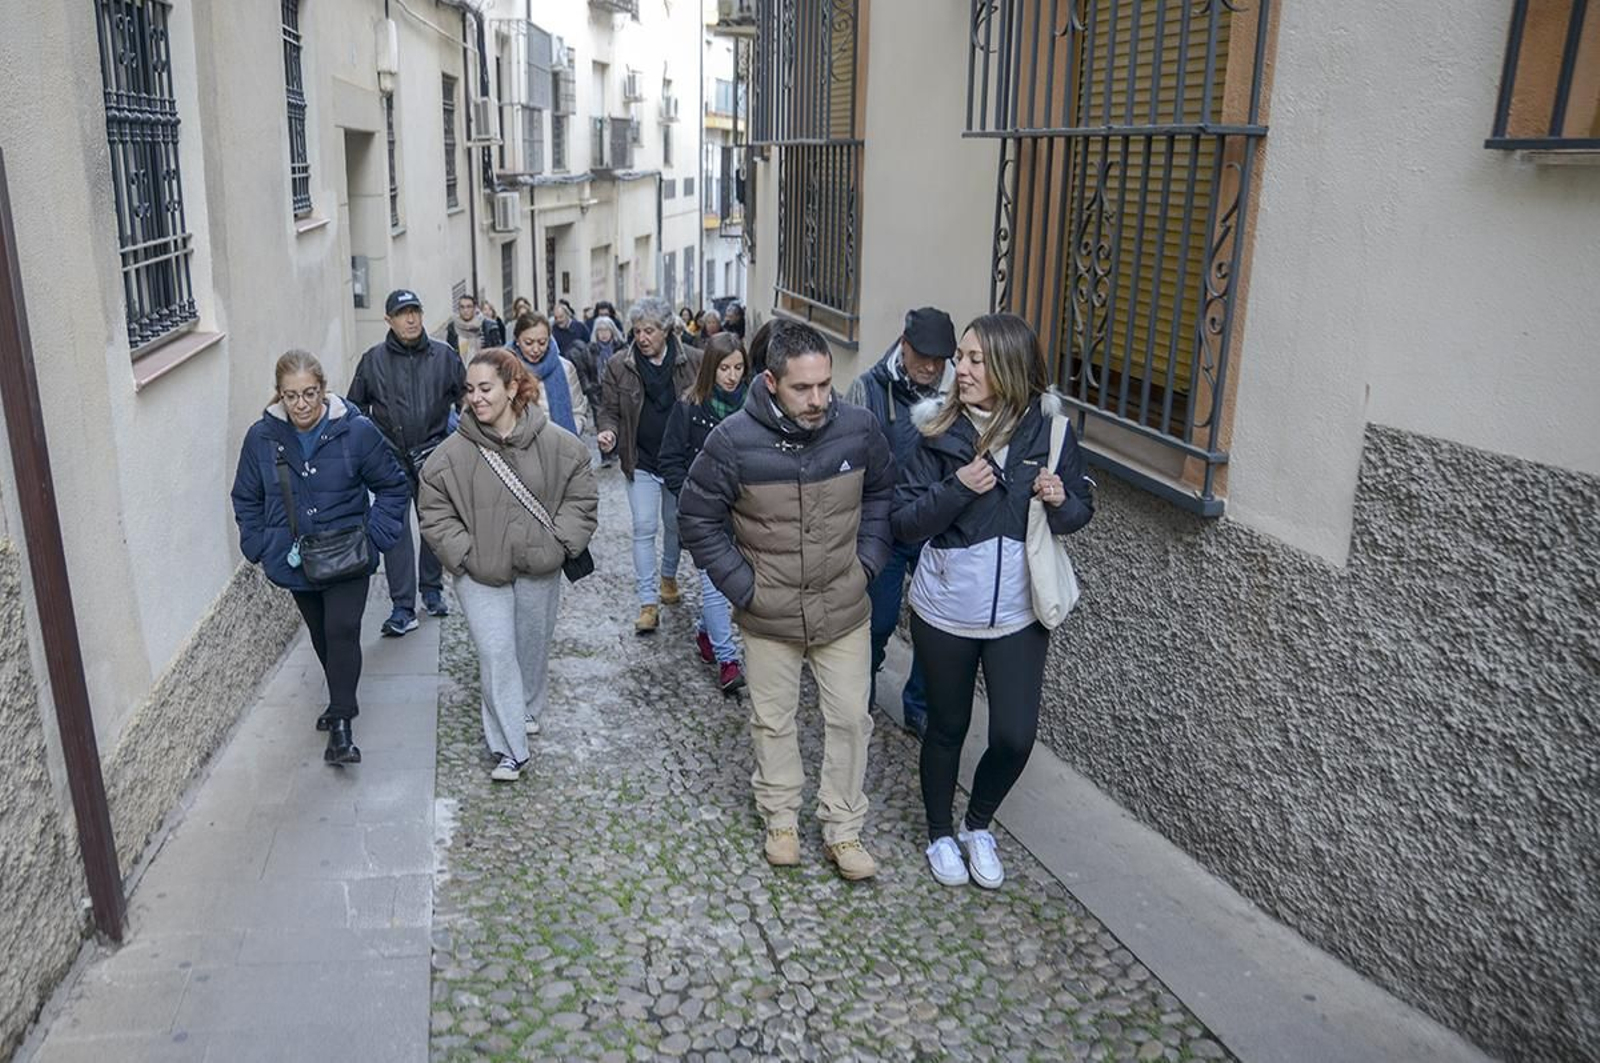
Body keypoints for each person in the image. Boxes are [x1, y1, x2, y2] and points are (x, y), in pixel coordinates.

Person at [679, 322, 895, 881]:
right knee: (773, 721)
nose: (819, 399)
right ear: (771, 381)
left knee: (851, 719)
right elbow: (696, 518)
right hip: (769, 614)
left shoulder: (859, 429)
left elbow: (882, 495)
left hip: (844, 606)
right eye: (804, 388)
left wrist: (866, 563)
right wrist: (745, 587)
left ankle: (843, 830)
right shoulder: (731, 441)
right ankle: (781, 820)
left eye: (825, 385)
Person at [891, 313, 1095, 890]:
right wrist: (958, 488)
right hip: (947, 610)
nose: (962, 369)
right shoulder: (934, 430)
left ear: (1008, 367)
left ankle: (977, 823)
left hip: (1018, 613)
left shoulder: (1052, 434)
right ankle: (938, 834)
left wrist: (1059, 499)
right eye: (962, 357)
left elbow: (1080, 512)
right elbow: (904, 522)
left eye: (976, 359)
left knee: (1014, 734)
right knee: (947, 725)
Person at [418, 349, 598, 781]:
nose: (475, 398)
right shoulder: (449, 455)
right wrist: (463, 555)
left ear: (512, 388)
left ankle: (528, 707)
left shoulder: (558, 443)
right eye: (469, 390)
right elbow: (434, 509)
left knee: (530, 647)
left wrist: (559, 543)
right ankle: (509, 748)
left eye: (485, 388)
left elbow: (582, 496)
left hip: (539, 566)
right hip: (480, 574)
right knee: (496, 652)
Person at [231, 350, 411, 765]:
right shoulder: (261, 437)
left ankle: (342, 724)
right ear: (279, 395)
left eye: (309, 393)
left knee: (343, 630)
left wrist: (377, 536)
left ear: (323, 389)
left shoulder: (357, 432)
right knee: (320, 635)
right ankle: (339, 698)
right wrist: (257, 544)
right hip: (296, 561)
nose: (302, 404)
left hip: (349, 554)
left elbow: (392, 486)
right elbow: (246, 496)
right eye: (291, 396)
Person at [844, 307, 958, 739]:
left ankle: (919, 705)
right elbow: (851, 461)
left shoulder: (956, 396)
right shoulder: (868, 389)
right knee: (878, 620)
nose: (931, 366)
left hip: (935, 524)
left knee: (935, 626)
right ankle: (863, 692)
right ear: (904, 345)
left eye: (941, 358)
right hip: (885, 526)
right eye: (924, 355)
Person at [348, 288, 467, 634]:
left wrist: (459, 439)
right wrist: (371, 449)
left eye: (415, 311)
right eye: (402, 313)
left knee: (433, 527)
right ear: (389, 320)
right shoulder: (373, 361)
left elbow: (466, 399)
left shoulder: (444, 357)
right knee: (395, 532)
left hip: (434, 455)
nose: (411, 318)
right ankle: (403, 607)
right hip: (391, 461)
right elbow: (356, 408)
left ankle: (431, 590)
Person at [597, 296, 701, 634]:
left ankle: (668, 578)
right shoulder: (618, 365)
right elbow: (609, 409)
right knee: (644, 527)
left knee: (674, 523)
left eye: (650, 331)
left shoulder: (693, 362)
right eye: (638, 331)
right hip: (639, 459)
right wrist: (609, 432)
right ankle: (647, 603)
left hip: (677, 462)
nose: (642, 338)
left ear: (667, 330)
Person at [658, 333, 750, 695]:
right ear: (711, 368)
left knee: (728, 587)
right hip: (705, 516)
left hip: (743, 513)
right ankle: (729, 661)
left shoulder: (754, 408)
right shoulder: (690, 407)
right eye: (725, 368)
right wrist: (690, 499)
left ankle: (704, 630)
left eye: (738, 367)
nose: (732, 375)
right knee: (714, 588)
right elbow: (670, 459)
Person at [510, 312, 592, 437]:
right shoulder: (506, 369)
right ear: (517, 340)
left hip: (560, 447)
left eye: (542, 342)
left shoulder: (565, 368)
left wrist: (569, 436)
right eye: (529, 342)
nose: (536, 349)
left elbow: (578, 411)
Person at [445, 293, 493, 362]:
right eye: (462, 307)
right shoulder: (453, 328)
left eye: (469, 307)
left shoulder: (485, 325)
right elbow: (449, 354)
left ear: (474, 308)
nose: (465, 310)